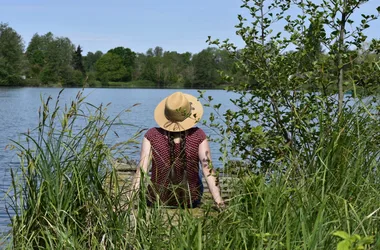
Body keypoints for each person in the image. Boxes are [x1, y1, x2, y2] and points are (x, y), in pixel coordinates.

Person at [130, 92, 224, 208]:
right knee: (200, 170)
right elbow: (207, 170)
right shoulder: (198, 135)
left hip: (157, 200)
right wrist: (219, 202)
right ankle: (216, 200)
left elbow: (142, 170)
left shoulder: (152, 135)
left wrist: (129, 200)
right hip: (189, 201)